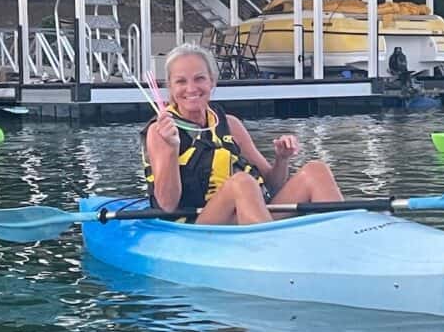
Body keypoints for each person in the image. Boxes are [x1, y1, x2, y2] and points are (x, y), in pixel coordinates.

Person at [143, 43, 344, 224]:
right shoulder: (160, 131)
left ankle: (344, 241)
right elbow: (167, 205)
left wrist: (282, 160)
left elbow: (273, 187)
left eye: (199, 79)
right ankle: (270, 247)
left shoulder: (230, 124)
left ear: (212, 82)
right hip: (198, 224)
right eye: (181, 82)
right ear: (170, 86)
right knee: (242, 182)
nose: (191, 88)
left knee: (316, 170)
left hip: (249, 215)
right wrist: (171, 149)